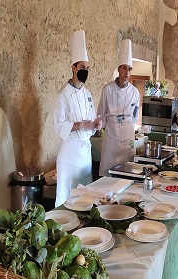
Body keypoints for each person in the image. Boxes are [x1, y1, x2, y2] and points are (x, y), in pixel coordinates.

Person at [53, 30, 101, 207]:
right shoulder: (62, 95)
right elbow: (59, 126)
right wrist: (82, 125)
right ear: (73, 68)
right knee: (67, 198)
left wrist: (95, 124)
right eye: (82, 68)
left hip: (85, 155)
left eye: (87, 68)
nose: (85, 72)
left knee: (85, 197)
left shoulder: (87, 94)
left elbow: (90, 121)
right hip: (70, 155)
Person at [98, 39, 140, 176]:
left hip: (128, 133)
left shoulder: (134, 92)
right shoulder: (107, 89)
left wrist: (127, 125)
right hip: (112, 134)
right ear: (118, 69)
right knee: (108, 170)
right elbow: (101, 112)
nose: (127, 72)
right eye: (124, 68)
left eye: (129, 69)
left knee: (128, 169)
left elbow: (135, 115)